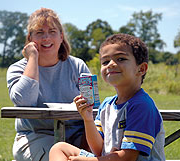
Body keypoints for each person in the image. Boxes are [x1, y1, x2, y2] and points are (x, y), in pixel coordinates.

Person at [49, 33, 166, 161]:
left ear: (141, 69)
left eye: (120, 59)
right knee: (59, 148)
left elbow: (128, 157)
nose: (110, 64)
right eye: (105, 61)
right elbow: (98, 149)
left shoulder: (141, 105)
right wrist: (87, 119)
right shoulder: (107, 105)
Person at [6, 8, 91, 161]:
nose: (46, 38)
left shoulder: (78, 66)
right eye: (39, 32)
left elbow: (91, 103)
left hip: (78, 136)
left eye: (52, 31)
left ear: (61, 36)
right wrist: (33, 58)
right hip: (35, 137)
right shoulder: (17, 69)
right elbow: (24, 101)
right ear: (30, 38)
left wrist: (87, 145)